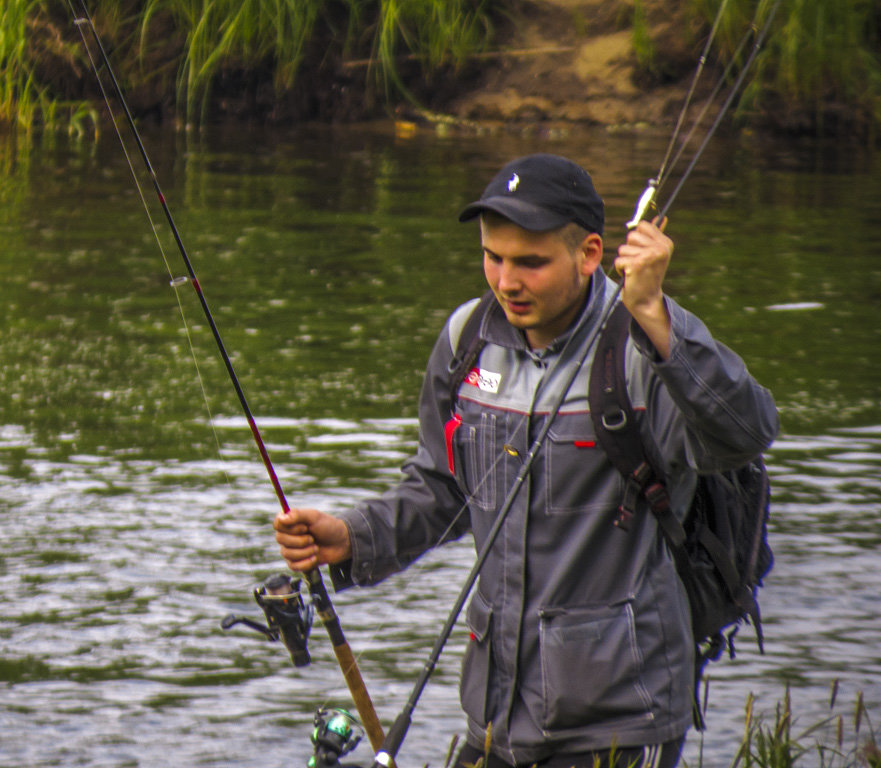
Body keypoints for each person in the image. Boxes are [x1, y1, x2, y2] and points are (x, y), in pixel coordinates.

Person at [274, 154, 779, 768]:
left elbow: (744, 435)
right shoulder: (466, 341)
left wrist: (656, 315)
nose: (506, 280)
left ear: (590, 254)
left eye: (530, 263)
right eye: (494, 256)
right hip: (494, 716)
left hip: (618, 722)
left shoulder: (646, 351)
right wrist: (353, 534)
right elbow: (442, 488)